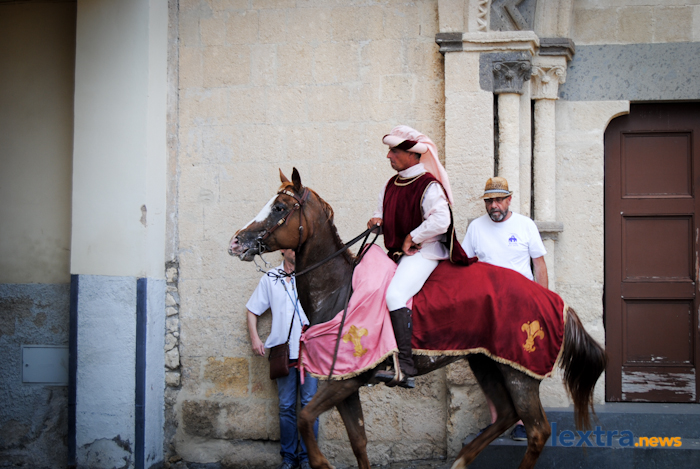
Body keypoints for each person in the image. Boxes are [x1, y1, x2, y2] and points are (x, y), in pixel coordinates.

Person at [367, 125, 472, 388]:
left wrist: (412, 236)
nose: (388, 156)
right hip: (398, 254)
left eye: (394, 151)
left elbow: (441, 220)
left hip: (424, 252)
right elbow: (383, 214)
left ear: (413, 154)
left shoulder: (428, 185)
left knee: (395, 296)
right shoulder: (390, 184)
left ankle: (406, 367)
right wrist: (377, 222)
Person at [461, 176, 548, 441]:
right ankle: (496, 423)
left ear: (509, 200)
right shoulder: (476, 228)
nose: (494, 206)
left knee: (519, 365)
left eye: (499, 200)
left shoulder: (525, 225)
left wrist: (543, 301)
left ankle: (522, 421)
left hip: (521, 307)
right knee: (489, 366)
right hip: (487, 309)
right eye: (489, 201)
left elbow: (539, 265)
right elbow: (465, 267)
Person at [247, 249, 319, 469]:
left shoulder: (311, 275)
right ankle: (288, 457)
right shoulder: (271, 278)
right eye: (291, 246)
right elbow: (252, 310)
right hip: (283, 353)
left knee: (310, 406)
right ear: (282, 250)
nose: (296, 249)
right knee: (286, 406)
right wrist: (255, 339)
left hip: (310, 353)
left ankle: (308, 457)